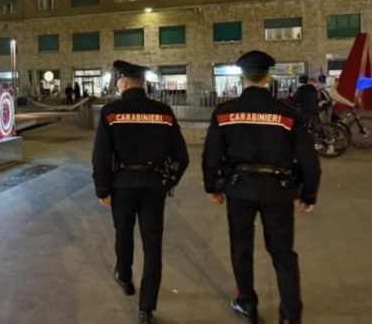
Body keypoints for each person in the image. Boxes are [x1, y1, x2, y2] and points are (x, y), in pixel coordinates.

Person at [202, 51, 321, 324]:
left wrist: (212, 186)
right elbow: (308, 159)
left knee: (241, 248)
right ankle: (291, 314)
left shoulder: (224, 113)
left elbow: (211, 155)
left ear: (242, 78)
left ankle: (246, 303)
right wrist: (309, 194)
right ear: (268, 78)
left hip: (239, 189)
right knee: (283, 252)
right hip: (278, 191)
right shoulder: (288, 113)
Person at [92, 60, 189, 324]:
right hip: (153, 185)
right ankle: (146, 308)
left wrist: (102, 188)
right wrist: (168, 182)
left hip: (122, 184)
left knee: (123, 234)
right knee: (153, 244)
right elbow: (182, 156)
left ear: (121, 82)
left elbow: (101, 155)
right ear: (142, 83)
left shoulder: (111, 112)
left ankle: (125, 277)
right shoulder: (164, 111)